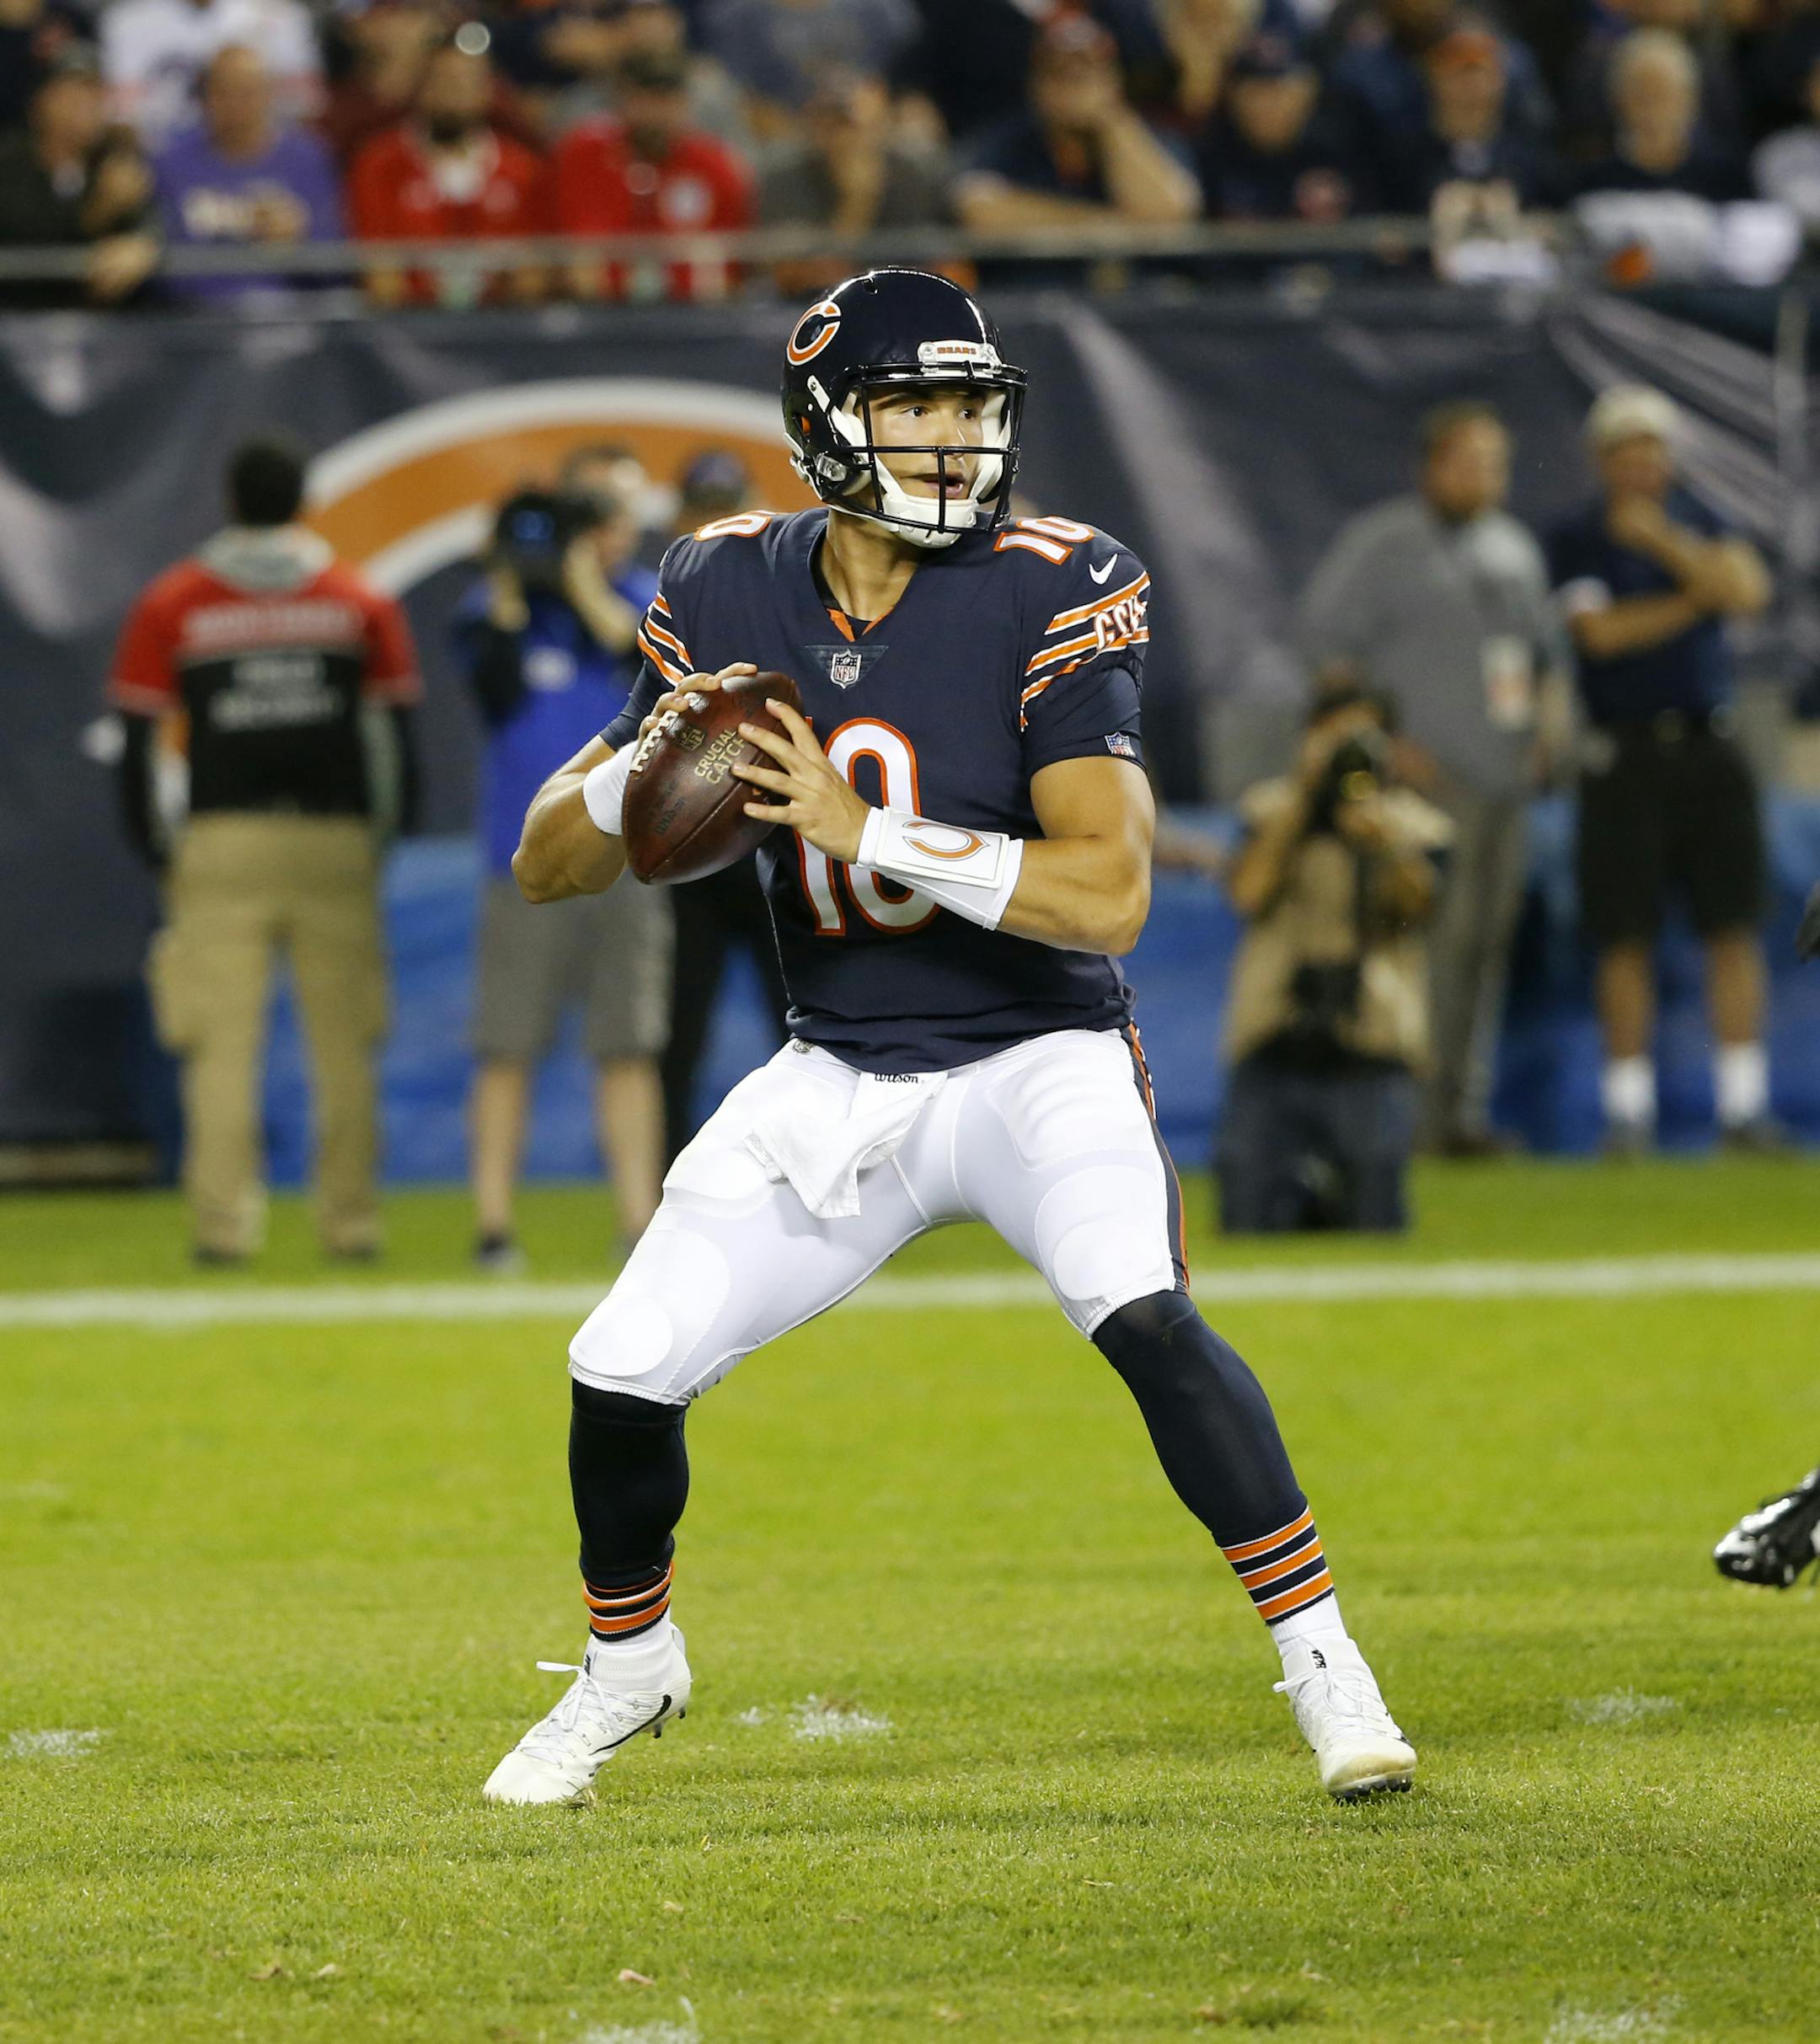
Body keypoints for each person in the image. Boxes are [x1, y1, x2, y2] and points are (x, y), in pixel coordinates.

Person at [483, 268, 1418, 1811]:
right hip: (838, 1063)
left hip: (1033, 1057)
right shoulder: (722, 582)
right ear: (826, 423)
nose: (955, 440)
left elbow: (1109, 895)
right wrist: (648, 758)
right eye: (918, 405)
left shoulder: (1058, 577)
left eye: (975, 406)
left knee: (1146, 1314)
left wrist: (873, 829)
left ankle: (1327, 1663)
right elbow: (544, 863)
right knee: (618, 1368)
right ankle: (629, 1665)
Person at [108, 436, 421, 1265]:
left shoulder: (175, 601)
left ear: (229, 499)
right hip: (334, 842)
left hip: (221, 843)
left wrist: (157, 847)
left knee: (218, 1049)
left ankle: (222, 1232)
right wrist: (377, 840)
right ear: (302, 500)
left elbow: (137, 740)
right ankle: (350, 1226)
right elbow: (395, 737)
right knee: (346, 1046)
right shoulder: (356, 600)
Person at [1299, 402, 1566, 1156]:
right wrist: (1381, 744)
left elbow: (1539, 659)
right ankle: (1401, 1115)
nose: (1486, 477)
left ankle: (1458, 1115)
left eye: (1496, 463)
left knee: (1485, 950)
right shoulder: (1383, 544)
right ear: (1432, 466)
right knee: (1417, 951)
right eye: (1470, 461)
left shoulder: (1514, 549)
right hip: (1417, 794)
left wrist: (1547, 730)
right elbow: (1327, 653)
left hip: (1502, 787)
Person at [453, 452, 672, 1272]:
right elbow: (494, 687)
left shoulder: (644, 598)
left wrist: (584, 585)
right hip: (526, 866)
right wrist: (514, 581)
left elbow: (649, 669)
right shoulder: (498, 612)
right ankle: (493, 1224)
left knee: (627, 1044)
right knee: (505, 1043)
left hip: (628, 856)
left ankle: (638, 1221)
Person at [1548, 384, 1776, 1153]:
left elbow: (1745, 591)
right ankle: (1628, 1113)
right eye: (1626, 448)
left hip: (1710, 744)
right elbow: (1600, 637)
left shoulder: (1698, 520)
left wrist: (1663, 547)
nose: (1642, 461)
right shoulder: (1578, 537)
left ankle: (1743, 1107)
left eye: (1652, 446)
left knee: (1732, 928)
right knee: (1625, 935)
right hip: (1625, 751)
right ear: (1603, 459)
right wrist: (1695, 596)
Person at [1218, 687, 1451, 1231]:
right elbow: (1247, 894)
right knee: (1247, 1220)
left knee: (1375, 1221)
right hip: (1274, 1036)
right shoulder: (1270, 810)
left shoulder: (1416, 824)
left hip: (1371, 1040)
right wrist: (1303, 801)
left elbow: (1420, 910)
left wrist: (1385, 843)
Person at [649, 451, 790, 1159]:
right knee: (677, 1033)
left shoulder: (798, 598)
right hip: (694, 856)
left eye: (726, 505)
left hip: (778, 843)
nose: (716, 524)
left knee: (807, 1033)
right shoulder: (663, 611)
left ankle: (827, 1178)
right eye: (705, 508)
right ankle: (663, 1190)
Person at [347, 36, 549, 309]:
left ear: (487, 90)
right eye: (442, 81)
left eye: (466, 82)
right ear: (420, 87)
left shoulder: (522, 169)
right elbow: (379, 270)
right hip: (409, 326)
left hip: (502, 326)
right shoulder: (379, 164)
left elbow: (535, 271)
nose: (453, 93)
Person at [953, 15, 1201, 238]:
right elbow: (979, 209)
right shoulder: (1010, 140)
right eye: (1060, 75)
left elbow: (1171, 213)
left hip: (1139, 285)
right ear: (1036, 85)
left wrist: (1111, 120)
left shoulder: (1146, 135)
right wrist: (1111, 226)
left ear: (1114, 81)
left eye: (1086, 76)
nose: (1074, 91)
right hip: (1036, 285)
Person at [549, 47, 752, 302]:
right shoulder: (583, 154)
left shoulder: (714, 166)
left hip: (695, 314)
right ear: (622, 99)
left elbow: (736, 263)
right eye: (645, 98)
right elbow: (563, 243)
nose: (656, 112)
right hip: (600, 312)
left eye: (667, 99)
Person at [154, 44, 343, 301]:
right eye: (223, 92)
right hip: (198, 320)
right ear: (204, 97)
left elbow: (338, 263)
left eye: (247, 93)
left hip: (293, 316)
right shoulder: (170, 163)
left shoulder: (308, 159)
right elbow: (165, 263)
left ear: (269, 95)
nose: (236, 106)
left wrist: (300, 239)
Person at [758, 70, 953, 296]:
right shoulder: (786, 178)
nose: (841, 136)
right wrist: (856, 202)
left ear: (881, 123)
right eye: (828, 120)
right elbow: (803, 278)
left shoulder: (910, 174)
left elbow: (935, 263)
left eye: (849, 123)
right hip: (812, 307)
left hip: (900, 302)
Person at [0, 50, 158, 311]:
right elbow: (28, 247)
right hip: (17, 322)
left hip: (102, 329)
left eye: (95, 95)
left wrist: (143, 242)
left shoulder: (113, 160)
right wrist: (99, 213)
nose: (85, 106)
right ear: (41, 102)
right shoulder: (10, 163)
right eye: (72, 94)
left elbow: (151, 218)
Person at [100, 0, 322, 149]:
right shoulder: (130, 19)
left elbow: (306, 113)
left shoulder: (279, 15)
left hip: (258, 157)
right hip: (160, 163)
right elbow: (122, 123)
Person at [1574, 29, 1748, 202]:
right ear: (1617, 100)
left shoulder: (1725, 178)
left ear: (1689, 101)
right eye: (1640, 96)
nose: (1651, 110)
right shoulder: (1593, 181)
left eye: (1662, 95)